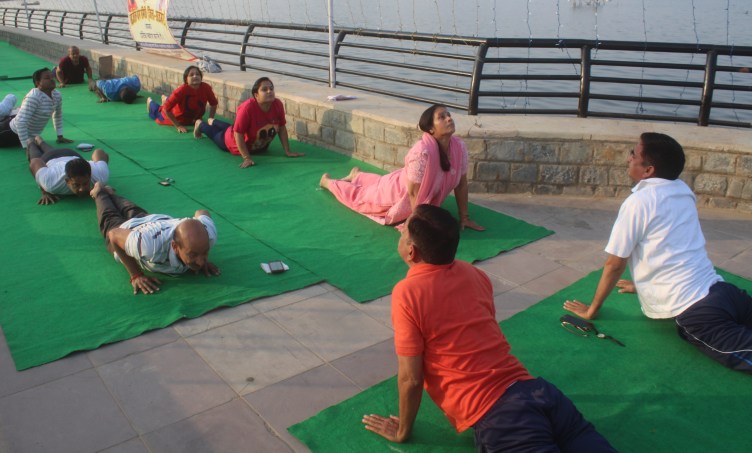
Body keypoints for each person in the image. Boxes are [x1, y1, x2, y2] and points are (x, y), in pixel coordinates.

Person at [363, 204, 617, 451]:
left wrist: (402, 430)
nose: (400, 231)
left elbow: (411, 377)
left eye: (404, 230)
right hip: (538, 392)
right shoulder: (472, 272)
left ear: (412, 252)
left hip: (502, 416)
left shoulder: (407, 293)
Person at [563, 132, 752, 374]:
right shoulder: (682, 190)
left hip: (697, 312)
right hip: (724, 292)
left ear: (648, 170)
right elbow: (669, 244)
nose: (628, 158)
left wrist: (592, 310)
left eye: (634, 154)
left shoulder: (638, 203)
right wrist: (645, 283)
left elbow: (614, 264)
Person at [320, 104, 483, 229]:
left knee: (380, 182)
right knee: (359, 197)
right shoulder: (422, 153)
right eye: (442, 117)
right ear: (431, 129)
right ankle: (328, 182)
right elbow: (413, 193)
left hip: (398, 179)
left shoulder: (459, 147)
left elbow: (461, 184)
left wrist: (465, 217)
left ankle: (357, 176)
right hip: (395, 195)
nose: (449, 119)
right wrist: (420, 228)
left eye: (449, 115)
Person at [90, 182, 219, 294]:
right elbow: (114, 235)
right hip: (126, 229)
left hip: (149, 219)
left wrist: (199, 256)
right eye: (193, 254)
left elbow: (202, 212)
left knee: (128, 207)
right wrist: (136, 275)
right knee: (108, 214)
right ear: (175, 246)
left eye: (205, 252)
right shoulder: (149, 247)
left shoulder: (209, 234)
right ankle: (98, 191)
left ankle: (110, 193)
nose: (201, 262)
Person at [194, 76, 303, 168]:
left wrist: (287, 151)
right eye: (264, 90)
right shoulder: (247, 108)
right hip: (231, 142)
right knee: (215, 134)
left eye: (271, 88)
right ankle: (201, 124)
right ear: (256, 95)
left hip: (258, 146)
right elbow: (238, 133)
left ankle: (213, 121)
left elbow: (282, 128)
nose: (269, 91)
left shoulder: (278, 104)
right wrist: (247, 158)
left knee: (232, 127)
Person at [0, 67, 72, 148]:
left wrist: (60, 136)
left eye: (51, 76)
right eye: (47, 78)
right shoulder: (34, 97)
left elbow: (57, 114)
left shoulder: (56, 95)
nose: (52, 79)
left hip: (25, 132)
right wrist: (27, 147)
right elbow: (20, 123)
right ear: (38, 83)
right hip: (10, 131)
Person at [27, 135, 109, 205]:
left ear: (90, 176)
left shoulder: (100, 176)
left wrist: (101, 185)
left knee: (52, 150)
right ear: (67, 181)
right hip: (50, 158)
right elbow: (35, 162)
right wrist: (45, 192)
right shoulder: (51, 183)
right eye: (76, 185)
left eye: (85, 183)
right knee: (35, 155)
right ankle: (31, 142)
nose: (82, 189)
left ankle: (40, 140)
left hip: (72, 155)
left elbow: (99, 152)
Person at [147, 65, 217, 133]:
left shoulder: (206, 88)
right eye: (191, 75)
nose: (195, 76)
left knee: (170, 102)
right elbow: (166, 109)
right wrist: (178, 126)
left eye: (197, 74)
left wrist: (210, 120)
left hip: (193, 119)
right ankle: (150, 102)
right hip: (178, 118)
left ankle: (166, 99)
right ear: (186, 79)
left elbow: (214, 103)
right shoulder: (181, 91)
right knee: (157, 112)